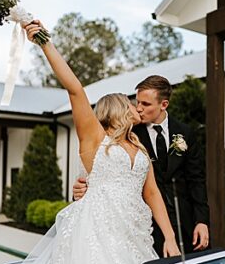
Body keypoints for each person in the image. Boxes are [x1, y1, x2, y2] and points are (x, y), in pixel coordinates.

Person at [0, 21, 181, 264]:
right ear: (116, 111)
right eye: (130, 104)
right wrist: (43, 42)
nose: (136, 108)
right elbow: (75, 88)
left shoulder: (140, 148)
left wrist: (170, 237)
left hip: (134, 240)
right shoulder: (95, 140)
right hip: (95, 238)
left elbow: (153, 194)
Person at [72, 75, 210, 254]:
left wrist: (202, 221)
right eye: (137, 102)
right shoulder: (128, 132)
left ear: (164, 105)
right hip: (143, 224)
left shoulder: (185, 133)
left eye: (145, 104)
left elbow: (196, 180)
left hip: (184, 218)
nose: (138, 108)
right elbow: (99, 165)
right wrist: (81, 188)